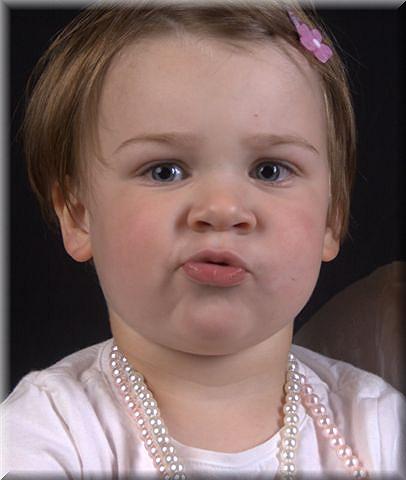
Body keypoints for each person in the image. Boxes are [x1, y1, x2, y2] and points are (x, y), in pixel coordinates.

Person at [2, 1, 405, 479]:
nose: (222, 209)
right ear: (78, 214)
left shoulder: (379, 428)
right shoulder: (47, 433)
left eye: (270, 170)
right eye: (165, 170)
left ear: (331, 218)